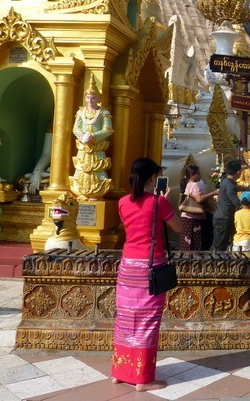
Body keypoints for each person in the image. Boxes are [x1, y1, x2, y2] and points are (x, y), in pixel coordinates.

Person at [111, 157, 181, 391]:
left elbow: (129, 227)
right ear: (153, 178)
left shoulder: (122, 202)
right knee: (147, 322)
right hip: (150, 267)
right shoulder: (158, 202)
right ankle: (143, 379)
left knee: (125, 318)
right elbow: (178, 228)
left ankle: (119, 372)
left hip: (128, 266)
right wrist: (168, 200)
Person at [70, 76, 114, 199]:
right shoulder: (80, 112)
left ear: (98, 98)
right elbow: (75, 128)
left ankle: (96, 189)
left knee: (97, 169)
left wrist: (94, 136)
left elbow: (108, 129)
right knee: (81, 168)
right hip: (84, 146)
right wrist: (82, 136)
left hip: (97, 146)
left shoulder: (103, 112)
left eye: (93, 98)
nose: (90, 100)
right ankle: (81, 190)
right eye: (88, 98)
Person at [212, 159, 250, 251]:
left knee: (219, 243)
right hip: (224, 218)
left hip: (221, 216)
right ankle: (216, 263)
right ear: (238, 172)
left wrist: (245, 188)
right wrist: (249, 200)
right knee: (220, 246)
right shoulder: (229, 184)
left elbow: (234, 187)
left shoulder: (225, 179)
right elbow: (236, 202)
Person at [179, 165, 218, 251]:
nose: (200, 176)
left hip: (188, 217)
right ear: (192, 175)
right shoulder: (194, 185)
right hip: (193, 219)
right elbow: (199, 199)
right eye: (198, 174)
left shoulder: (189, 184)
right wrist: (213, 193)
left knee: (187, 244)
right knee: (194, 244)